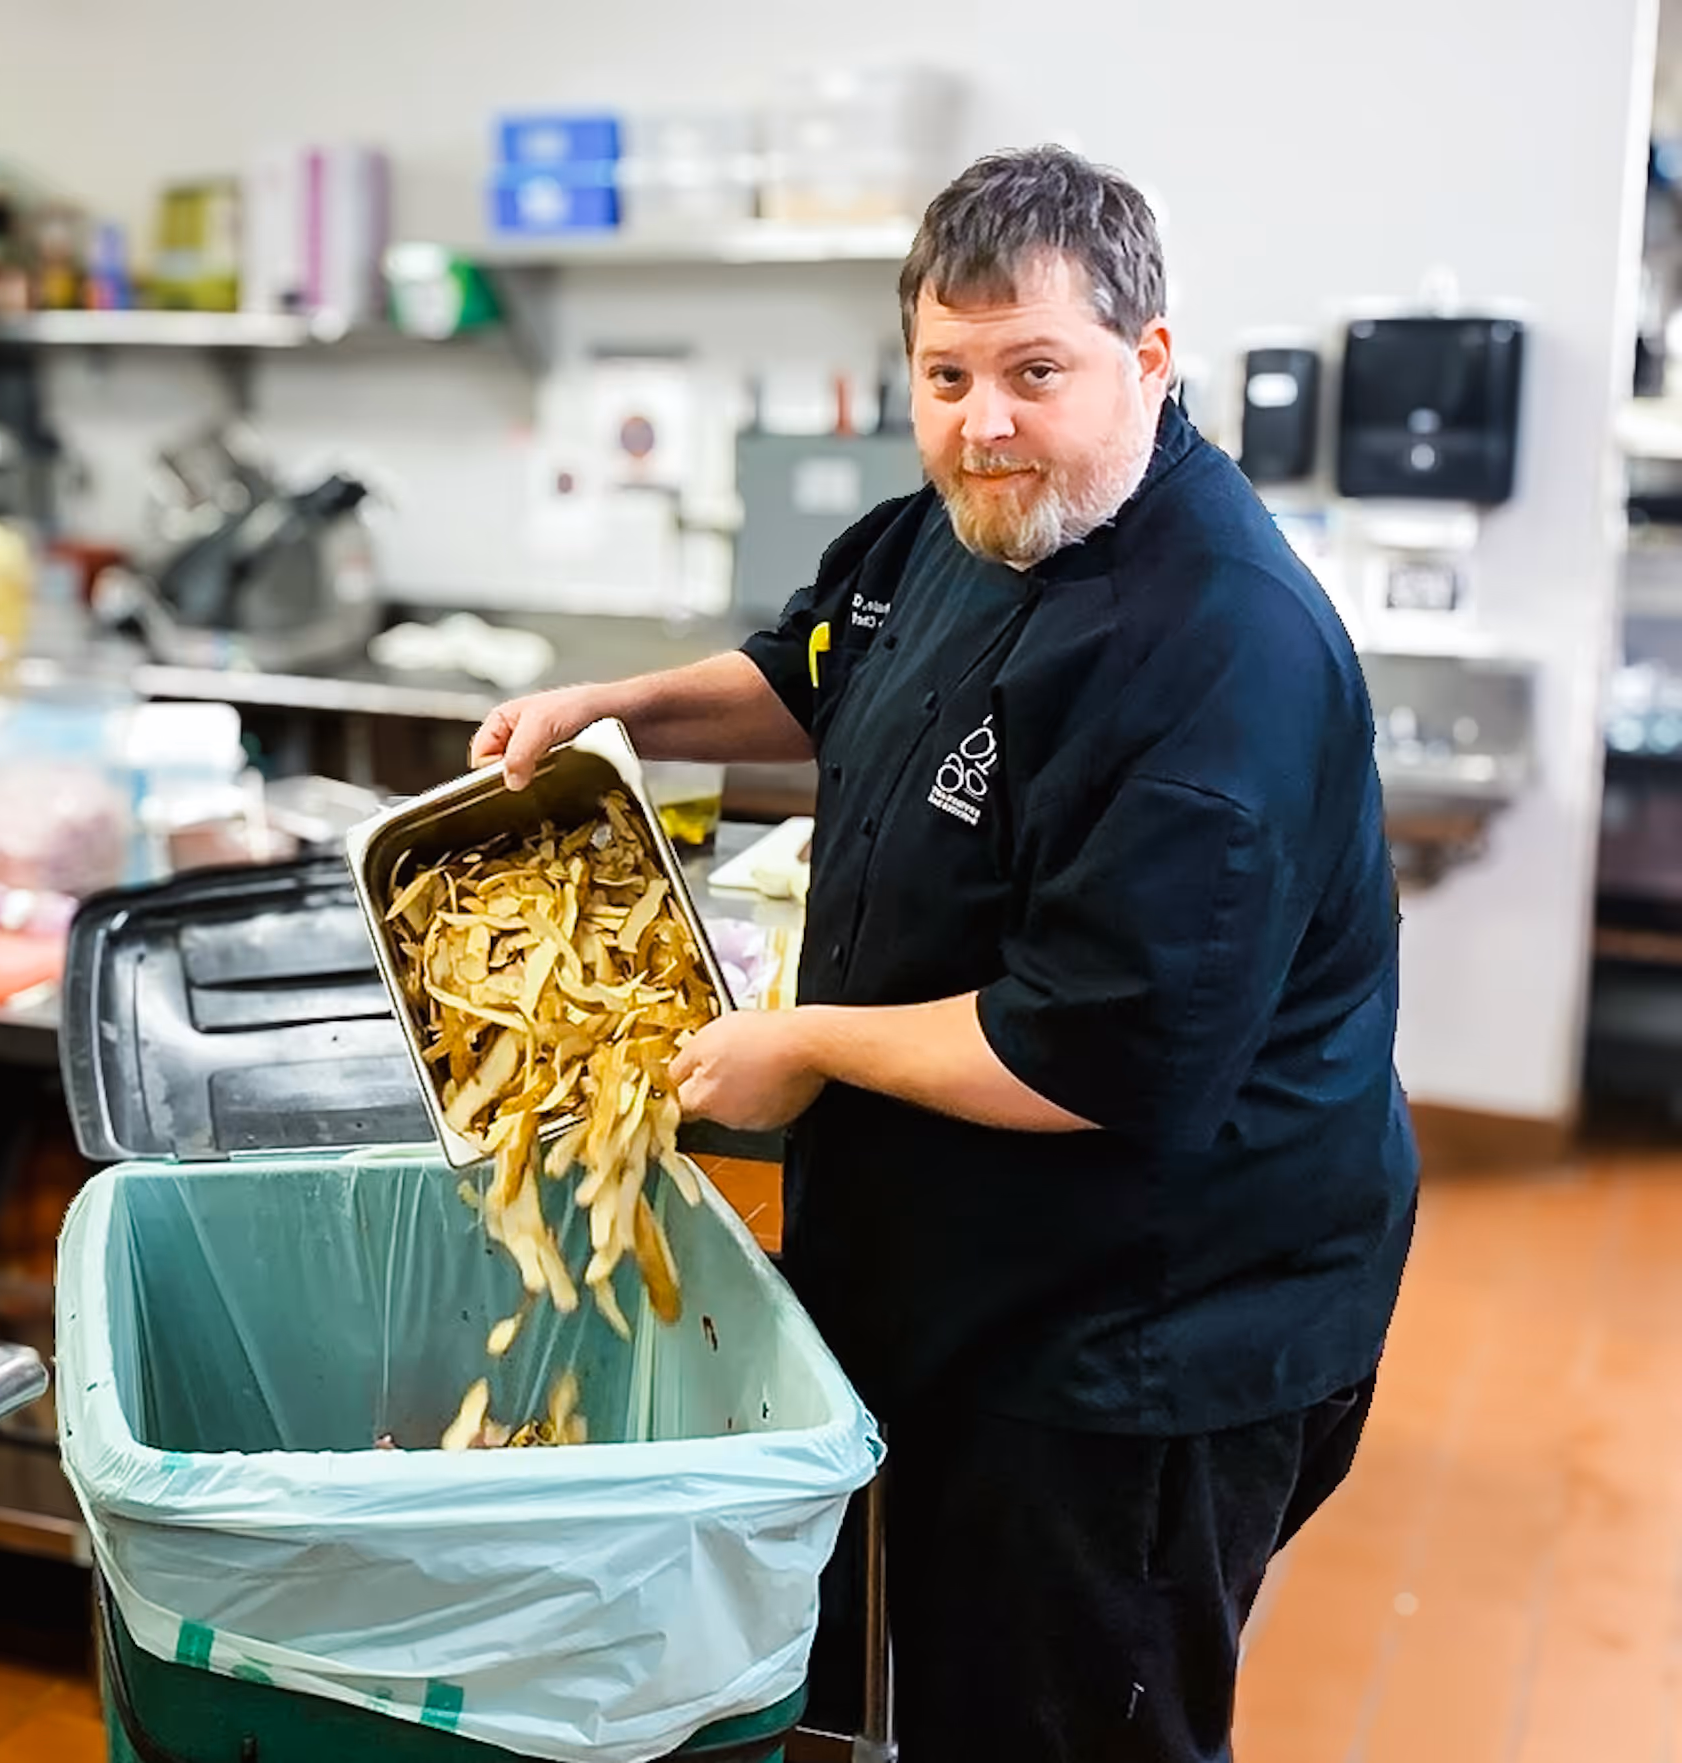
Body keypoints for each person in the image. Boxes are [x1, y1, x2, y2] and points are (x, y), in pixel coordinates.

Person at [472, 146, 1418, 1762]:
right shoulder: (964, 524)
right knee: (951, 1684)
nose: (983, 420)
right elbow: (815, 666)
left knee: (1070, 1722)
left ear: (1149, 359)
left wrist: (815, 1043)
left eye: (1034, 371)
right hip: (973, 1283)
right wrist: (611, 709)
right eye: (946, 373)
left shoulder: (1212, 655)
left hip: (1142, 1341)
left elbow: (1091, 1054)